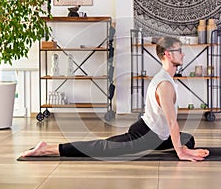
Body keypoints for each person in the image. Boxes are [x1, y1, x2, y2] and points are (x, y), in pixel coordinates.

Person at [21, 36, 209, 162]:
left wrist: (183, 146)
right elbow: (171, 121)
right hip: (144, 135)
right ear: (168, 54)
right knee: (103, 148)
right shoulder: (165, 84)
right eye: (179, 50)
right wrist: (180, 152)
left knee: (189, 140)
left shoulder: (166, 78)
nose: (183, 54)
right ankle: (48, 148)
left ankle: (168, 146)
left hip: (157, 134)